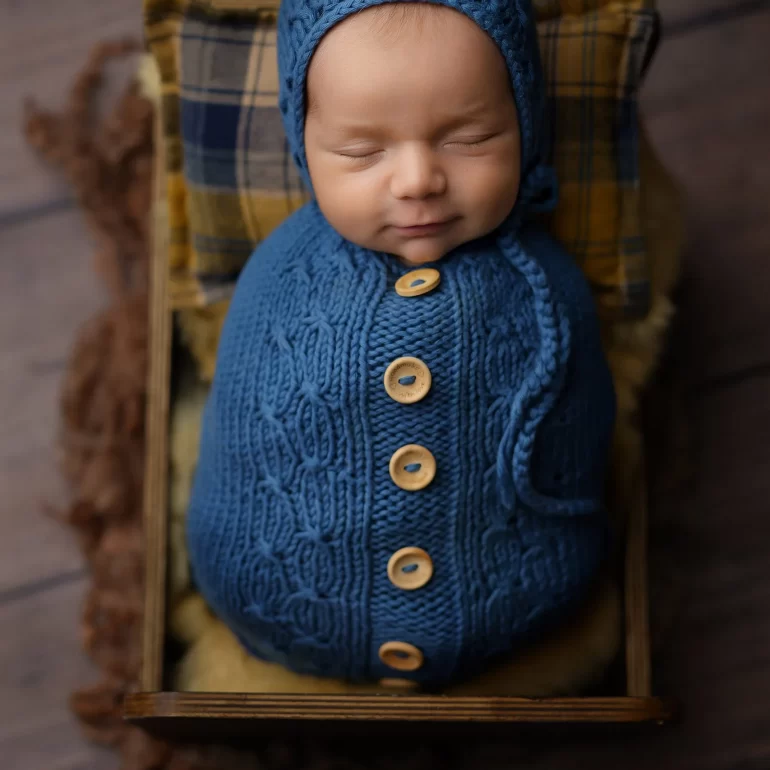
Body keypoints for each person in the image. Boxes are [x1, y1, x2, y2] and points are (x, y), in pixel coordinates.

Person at [186, 0, 617, 690]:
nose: (418, 180)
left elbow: (580, 451)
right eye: (362, 152)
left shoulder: (545, 291)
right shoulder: (278, 278)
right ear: (304, 144)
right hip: (281, 606)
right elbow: (242, 451)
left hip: (513, 613)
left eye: (470, 138)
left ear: (524, 122)